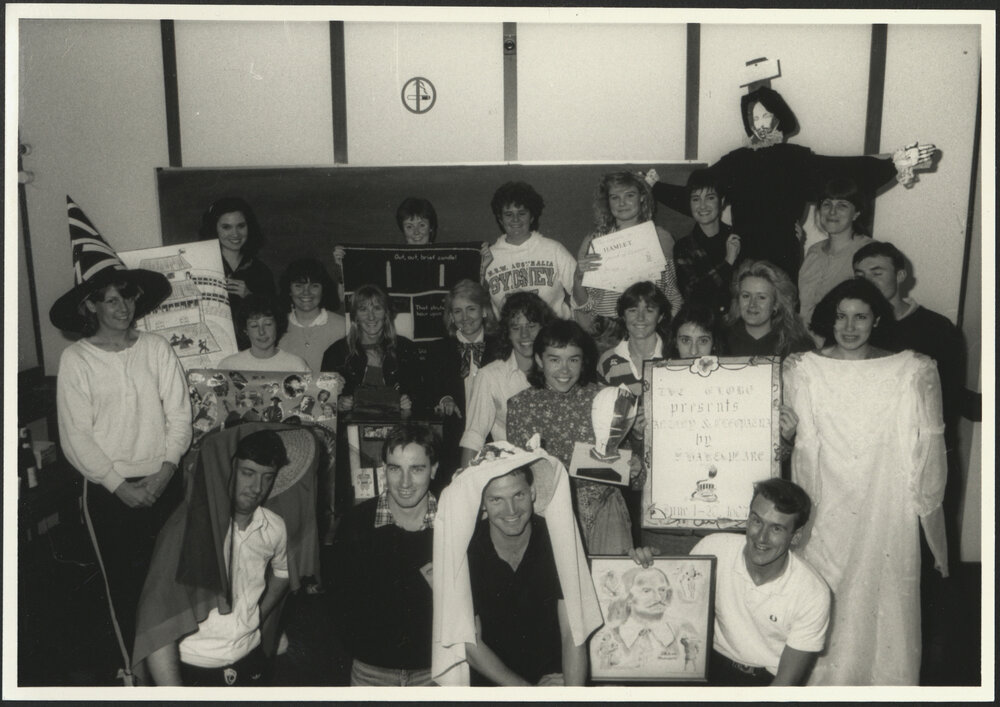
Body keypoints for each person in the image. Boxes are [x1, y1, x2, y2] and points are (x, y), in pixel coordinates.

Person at [51, 198, 192, 681]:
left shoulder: (155, 348)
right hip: (110, 492)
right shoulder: (77, 361)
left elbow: (179, 415)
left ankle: (175, 673)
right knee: (125, 585)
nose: (122, 306)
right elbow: (76, 438)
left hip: (163, 481)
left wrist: (166, 470)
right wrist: (119, 484)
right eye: (110, 299)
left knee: (170, 583)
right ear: (90, 305)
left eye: (127, 296)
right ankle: (132, 675)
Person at [782, 278, 948, 685]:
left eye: (860, 317)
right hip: (825, 505)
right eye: (841, 317)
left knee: (882, 599)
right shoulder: (804, 369)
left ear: (876, 320)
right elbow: (799, 449)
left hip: (885, 504)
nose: (849, 326)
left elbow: (928, 449)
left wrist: (928, 517)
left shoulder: (911, 370)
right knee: (824, 595)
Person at [646, 85, 936, 280]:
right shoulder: (736, 160)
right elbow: (700, 195)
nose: (759, 121)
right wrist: (657, 188)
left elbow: (840, 170)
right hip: (741, 251)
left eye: (765, 114)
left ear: (778, 118)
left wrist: (893, 163)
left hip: (783, 250)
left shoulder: (796, 158)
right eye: (753, 116)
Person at [430, 442, 603, 686]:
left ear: (532, 492)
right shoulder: (467, 549)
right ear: (482, 503)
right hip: (495, 685)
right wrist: (526, 692)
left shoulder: (555, 539)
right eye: (496, 499)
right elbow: (468, 641)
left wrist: (571, 695)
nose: (511, 510)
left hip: (553, 681)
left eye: (518, 495)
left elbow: (573, 631)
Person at [140, 430, 291, 686]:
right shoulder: (187, 531)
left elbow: (283, 572)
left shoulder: (275, 527)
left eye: (268, 477)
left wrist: (256, 617)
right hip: (193, 664)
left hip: (250, 657)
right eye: (248, 473)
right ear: (226, 470)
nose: (257, 488)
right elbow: (156, 625)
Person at [507, 319, 633, 555]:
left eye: (573, 360)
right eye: (554, 359)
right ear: (538, 360)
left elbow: (627, 466)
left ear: (583, 361)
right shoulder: (521, 405)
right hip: (550, 513)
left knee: (611, 586)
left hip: (607, 511)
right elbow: (521, 476)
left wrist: (633, 467)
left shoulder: (605, 398)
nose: (564, 370)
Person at [691, 479, 831, 686]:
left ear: (795, 536)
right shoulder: (712, 548)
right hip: (708, 665)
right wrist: (644, 563)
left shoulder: (813, 593)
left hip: (766, 681)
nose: (761, 538)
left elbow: (784, 684)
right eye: (757, 521)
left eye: (776, 529)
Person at [330, 424, 440, 686]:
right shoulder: (356, 524)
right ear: (383, 469)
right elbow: (338, 599)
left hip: (435, 672)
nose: (404, 482)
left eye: (417, 469)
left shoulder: (454, 522)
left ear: (433, 469)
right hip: (371, 671)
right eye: (395, 468)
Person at [597, 281, 670, 544]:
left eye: (649, 310)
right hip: (626, 469)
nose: (640, 318)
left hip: (667, 466)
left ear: (661, 316)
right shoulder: (608, 361)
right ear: (622, 315)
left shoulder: (674, 356)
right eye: (632, 310)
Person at [576, 171, 684, 345]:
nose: (622, 203)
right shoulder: (594, 240)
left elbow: (671, 293)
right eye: (615, 197)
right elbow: (585, 303)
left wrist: (666, 333)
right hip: (607, 333)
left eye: (629, 195)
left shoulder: (661, 237)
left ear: (642, 197)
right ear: (607, 201)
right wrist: (578, 276)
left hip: (649, 329)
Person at [459, 292, 556, 467]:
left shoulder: (560, 371)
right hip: (512, 473)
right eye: (516, 328)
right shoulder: (489, 376)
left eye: (531, 326)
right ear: (507, 333)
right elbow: (474, 435)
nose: (525, 335)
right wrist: (462, 486)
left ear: (544, 328)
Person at [426, 280, 503, 488]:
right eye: (458, 311)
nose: (465, 317)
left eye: (471, 309)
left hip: (495, 439)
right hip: (453, 443)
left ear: (484, 311)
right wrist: (444, 397)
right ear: (451, 316)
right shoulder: (438, 350)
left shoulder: (501, 348)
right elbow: (426, 387)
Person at [481, 181, 589, 320]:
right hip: (511, 337)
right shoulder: (489, 256)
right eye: (508, 214)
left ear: (532, 216)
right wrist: (481, 272)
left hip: (553, 335)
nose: (515, 220)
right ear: (500, 219)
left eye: (522, 213)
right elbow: (478, 305)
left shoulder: (553, 250)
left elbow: (581, 294)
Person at [321, 284, 424, 414]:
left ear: (386, 313)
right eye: (363, 309)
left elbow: (422, 393)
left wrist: (410, 400)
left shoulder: (406, 348)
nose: (371, 317)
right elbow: (324, 402)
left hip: (399, 429)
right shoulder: (336, 353)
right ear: (355, 316)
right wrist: (338, 403)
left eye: (377, 308)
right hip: (351, 431)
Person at [199, 197, 276, 351]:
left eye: (241, 226)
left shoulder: (260, 271)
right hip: (209, 349)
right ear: (214, 229)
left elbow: (275, 319)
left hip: (251, 353)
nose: (235, 234)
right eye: (226, 227)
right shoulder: (200, 267)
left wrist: (249, 296)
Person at [797, 178, 874, 331]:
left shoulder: (869, 251)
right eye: (827, 204)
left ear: (856, 213)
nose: (832, 212)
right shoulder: (813, 251)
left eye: (842, 205)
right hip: (805, 342)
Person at [669, 168, 742, 317]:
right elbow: (693, 294)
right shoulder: (684, 246)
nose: (702, 206)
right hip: (702, 325)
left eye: (710, 198)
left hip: (736, 324)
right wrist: (728, 262)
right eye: (696, 199)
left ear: (721, 202)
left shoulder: (736, 239)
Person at [722, 260, 814, 358]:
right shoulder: (721, 339)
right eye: (746, 296)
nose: (752, 304)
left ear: (776, 304)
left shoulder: (797, 345)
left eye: (761, 297)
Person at [277, 258, 346, 376]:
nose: (306, 292)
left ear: (323, 289)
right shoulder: (277, 327)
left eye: (314, 286)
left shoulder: (344, 326)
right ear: (289, 290)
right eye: (298, 286)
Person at [218, 294, 310, 372]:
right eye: (254, 326)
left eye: (268, 324)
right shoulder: (228, 366)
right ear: (245, 330)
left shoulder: (296, 365)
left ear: (277, 325)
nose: (261, 332)